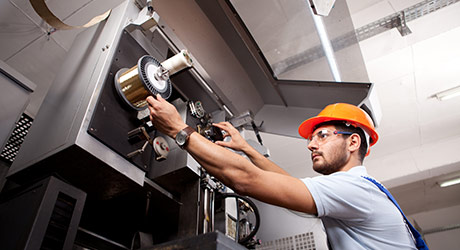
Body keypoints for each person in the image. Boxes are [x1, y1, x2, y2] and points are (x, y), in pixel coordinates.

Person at [146, 95, 420, 249]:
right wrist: (249, 150)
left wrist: (178, 130)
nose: (311, 144)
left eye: (322, 135)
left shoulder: (355, 189)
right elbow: (291, 184)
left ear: (353, 142)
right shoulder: (357, 188)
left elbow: (244, 179)